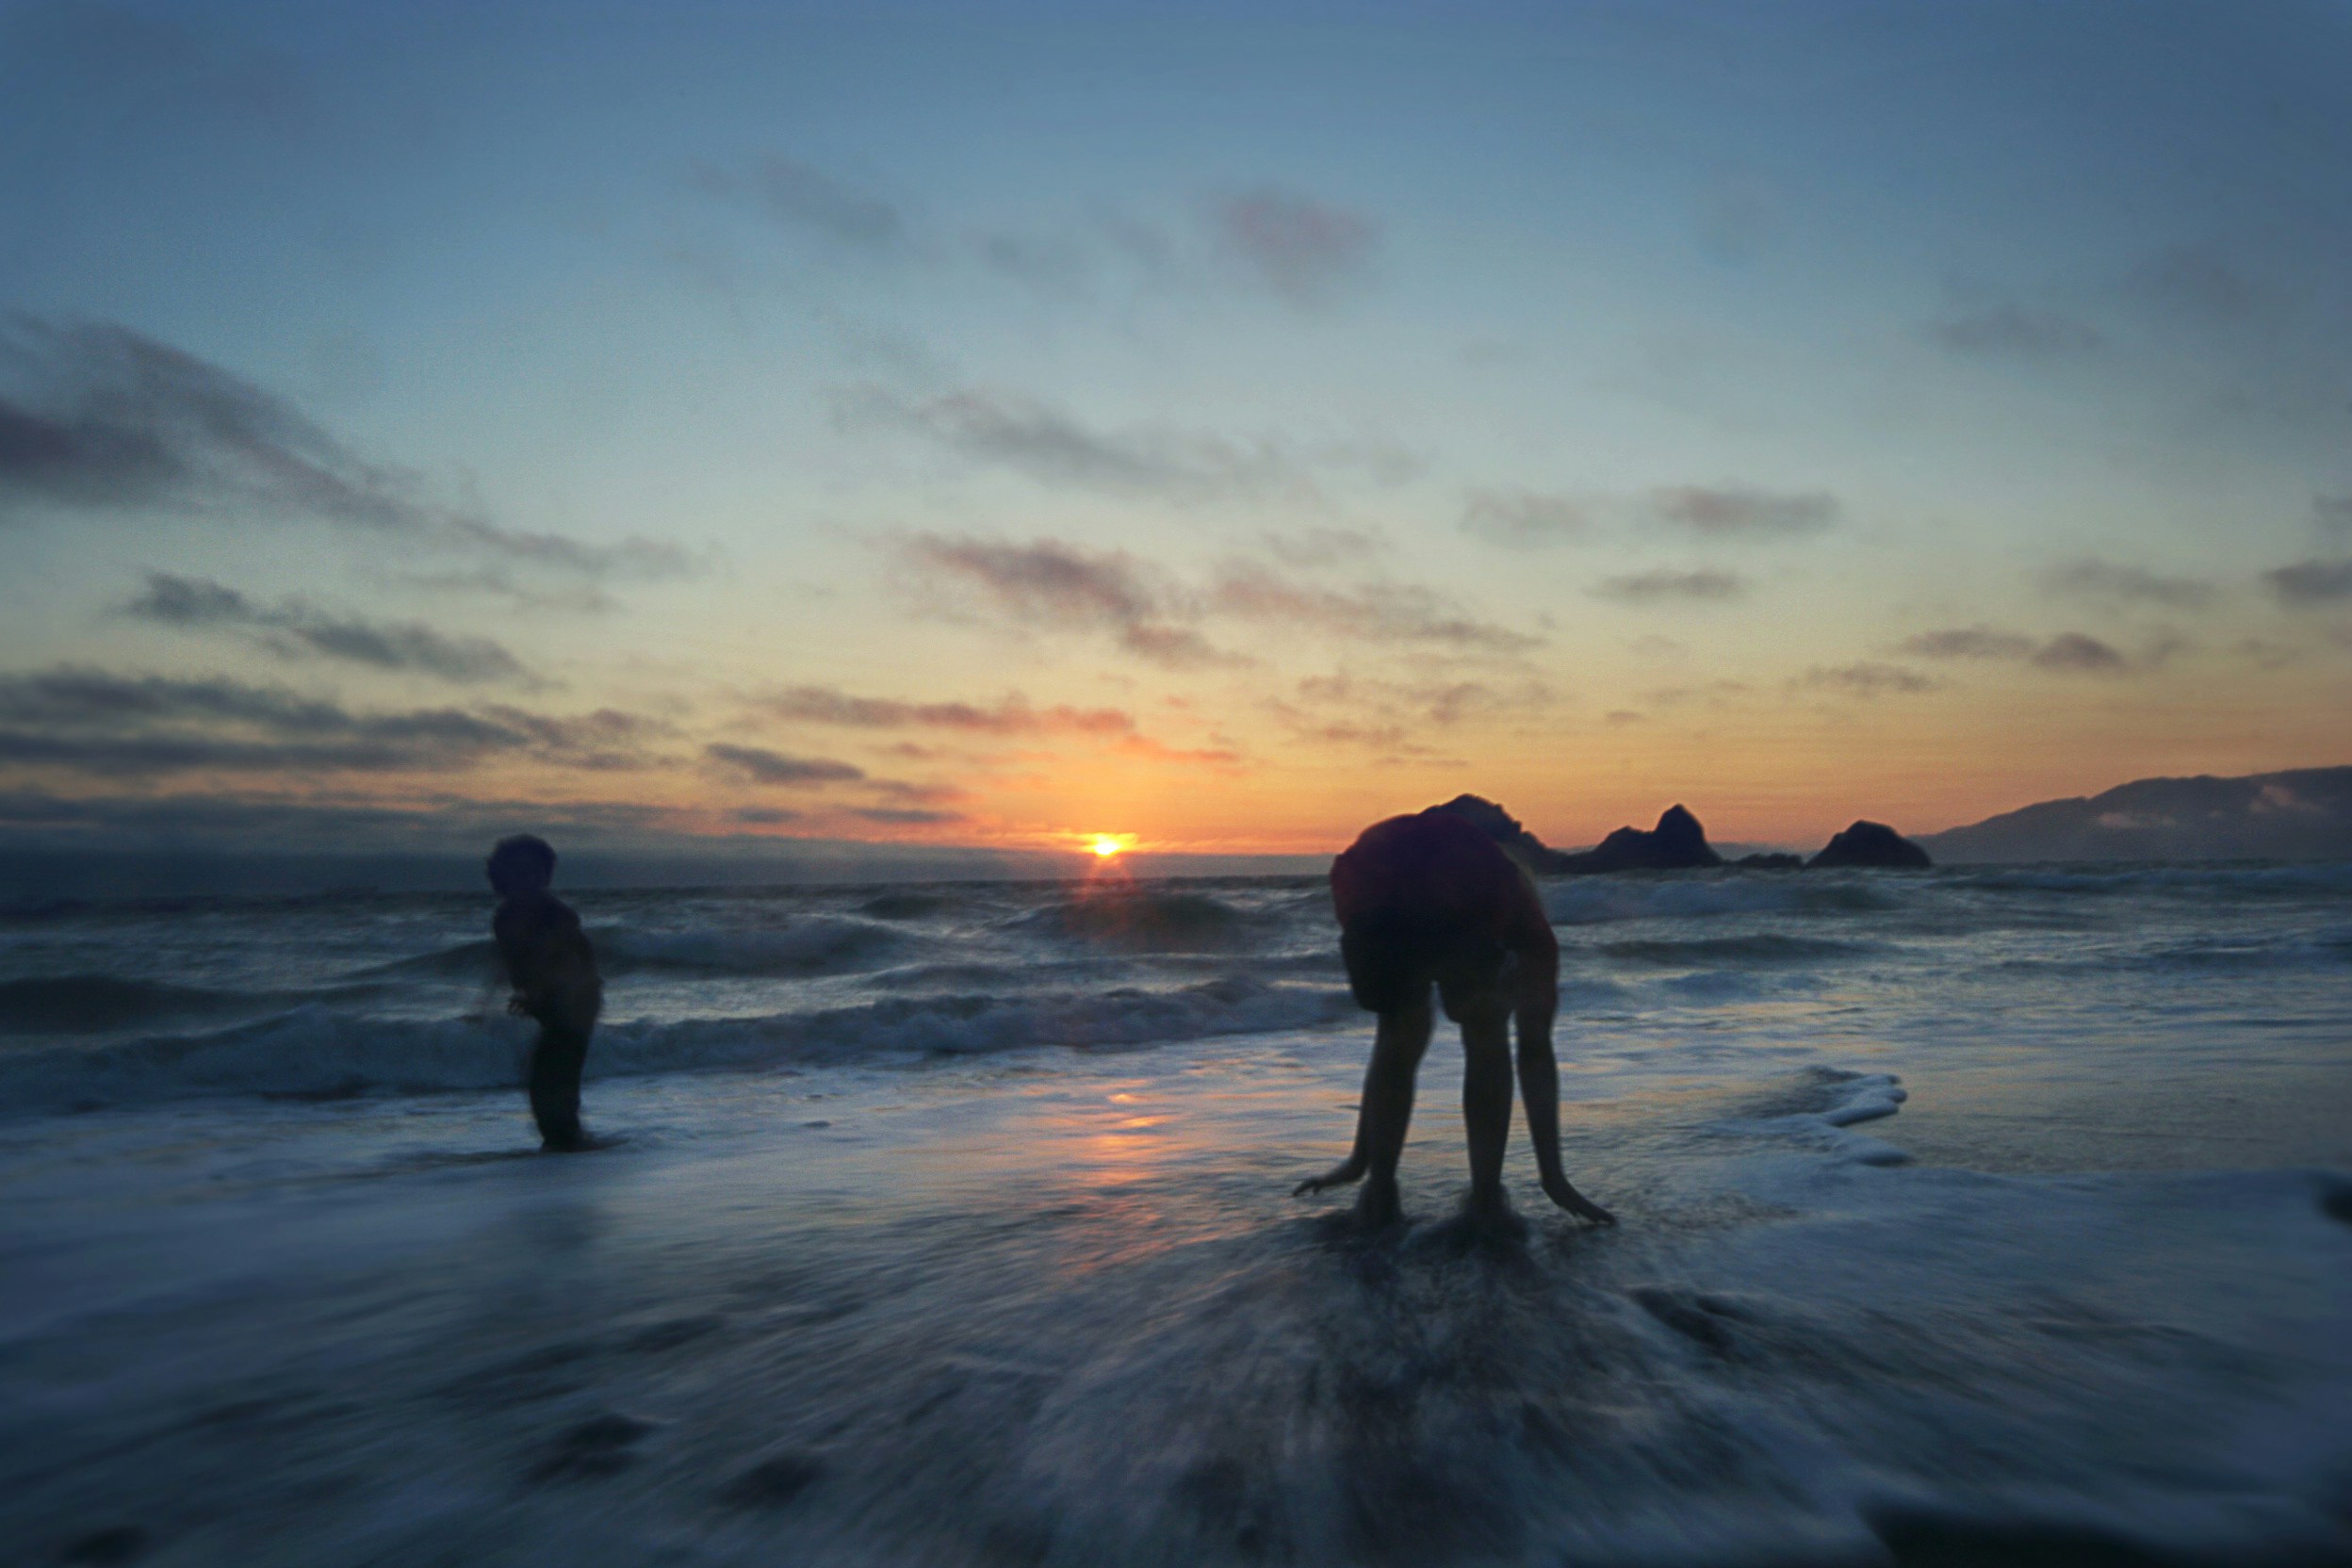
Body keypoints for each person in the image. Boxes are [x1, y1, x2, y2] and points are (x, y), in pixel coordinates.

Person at [1296, 808, 1614, 1232]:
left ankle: (1379, 1184)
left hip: (1364, 885)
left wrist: (1358, 1160)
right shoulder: (1525, 925)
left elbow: (1391, 1049)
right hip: (1400, 881)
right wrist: (1554, 1179)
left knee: (1400, 1029)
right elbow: (1534, 1053)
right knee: (1487, 1034)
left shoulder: (1476, 872)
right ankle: (1485, 1199)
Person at [486, 834, 603, 1152]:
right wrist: (511, 994)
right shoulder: (504, 918)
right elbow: (511, 960)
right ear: (501, 877)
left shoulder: (556, 913)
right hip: (547, 1002)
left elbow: (571, 955)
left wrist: (544, 989)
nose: (529, 880)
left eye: (536, 873)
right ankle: (562, 1136)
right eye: (520, 873)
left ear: (546, 875)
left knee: (555, 1069)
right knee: (544, 1070)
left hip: (577, 998)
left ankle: (564, 1136)